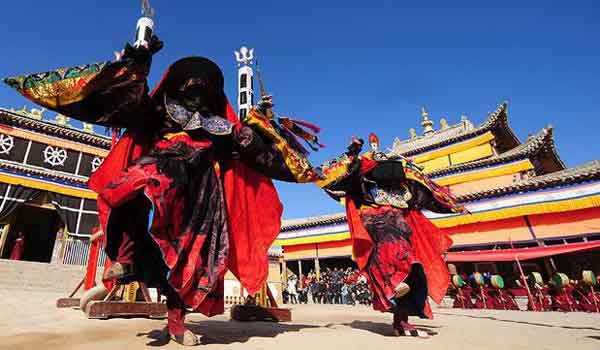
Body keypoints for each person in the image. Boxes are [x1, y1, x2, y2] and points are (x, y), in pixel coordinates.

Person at [4, 37, 322, 346]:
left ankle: (176, 320)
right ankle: (128, 259)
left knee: (187, 265)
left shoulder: (225, 129)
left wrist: (307, 168)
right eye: (190, 82)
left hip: (199, 198)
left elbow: (263, 156)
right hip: (157, 169)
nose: (197, 89)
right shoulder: (159, 111)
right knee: (125, 190)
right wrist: (141, 63)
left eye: (205, 84)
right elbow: (128, 102)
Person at [316, 135, 464, 337]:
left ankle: (400, 322)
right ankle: (391, 287)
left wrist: (451, 205)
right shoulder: (361, 181)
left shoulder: (401, 185)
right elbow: (330, 176)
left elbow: (427, 191)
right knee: (394, 254)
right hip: (377, 226)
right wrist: (353, 153)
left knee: (415, 271)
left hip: (400, 226)